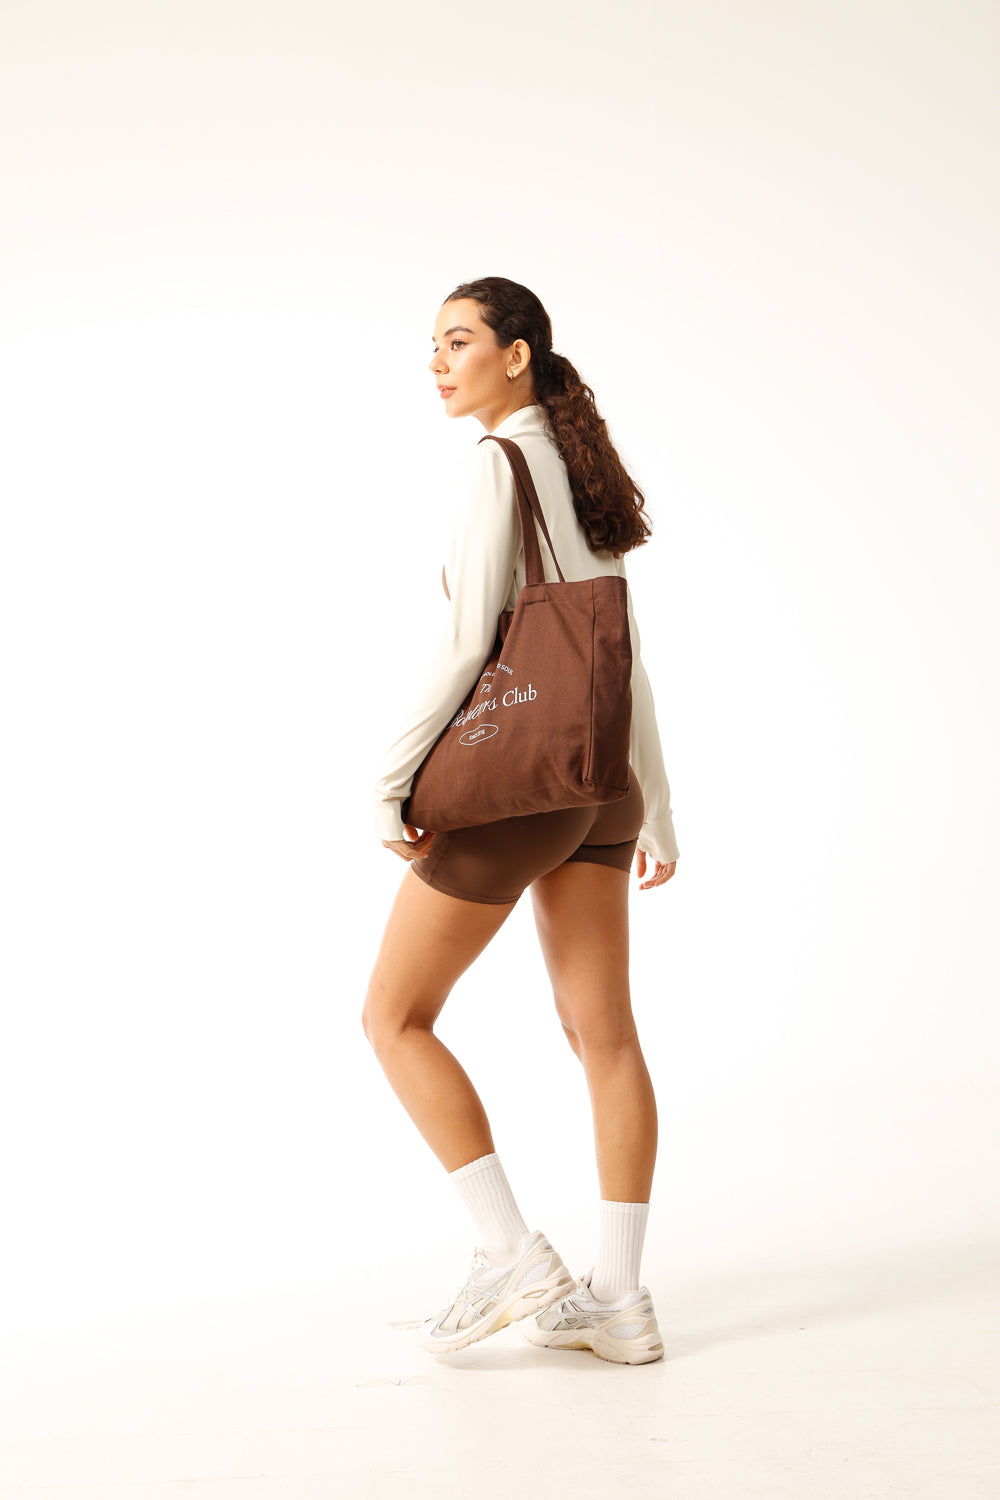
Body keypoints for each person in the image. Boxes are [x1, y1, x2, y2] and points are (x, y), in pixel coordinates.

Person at [362, 276, 679, 1365]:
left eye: (458, 342)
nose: (437, 363)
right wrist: (655, 803)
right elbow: (621, 657)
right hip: (603, 786)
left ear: (517, 355)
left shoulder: (496, 464)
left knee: (394, 1018)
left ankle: (508, 1253)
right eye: (433, 345)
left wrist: (390, 778)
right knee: (605, 1036)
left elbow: (467, 643)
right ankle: (619, 1303)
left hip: (526, 789)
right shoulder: (582, 470)